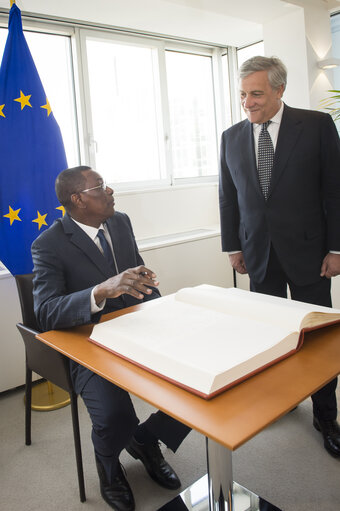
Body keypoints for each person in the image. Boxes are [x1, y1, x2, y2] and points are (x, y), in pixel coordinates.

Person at [31, 166, 191, 511]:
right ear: (78, 200)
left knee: (196, 383)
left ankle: (146, 441)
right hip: (89, 341)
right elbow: (46, 312)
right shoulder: (48, 245)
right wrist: (100, 291)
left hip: (137, 326)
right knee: (116, 416)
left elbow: (135, 273)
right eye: (101, 187)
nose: (111, 191)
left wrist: (165, 313)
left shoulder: (121, 222)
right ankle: (108, 466)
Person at [219, 56, 340, 457]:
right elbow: (228, 198)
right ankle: (279, 400)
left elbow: (335, 192)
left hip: (310, 254)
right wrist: (234, 247)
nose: (247, 103)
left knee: (318, 341)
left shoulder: (317, 126)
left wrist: (337, 248)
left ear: (279, 90)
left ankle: (326, 415)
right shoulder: (231, 137)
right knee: (267, 338)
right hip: (258, 256)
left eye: (256, 93)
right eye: (242, 94)